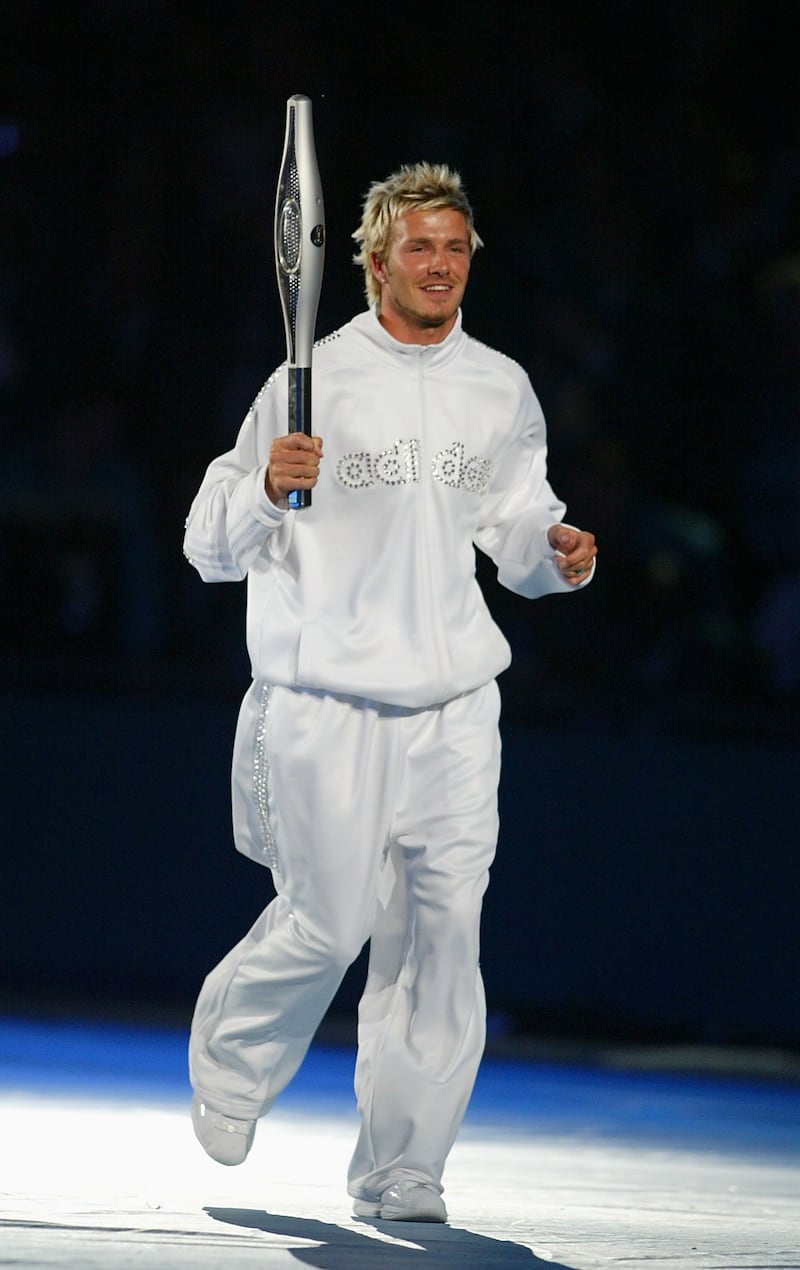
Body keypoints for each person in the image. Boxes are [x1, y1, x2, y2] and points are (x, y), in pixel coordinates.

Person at [183, 162, 597, 1223]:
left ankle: (402, 1167)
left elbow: (513, 521)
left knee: (440, 935)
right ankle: (231, 1057)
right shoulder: (306, 380)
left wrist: (550, 552)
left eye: (455, 249)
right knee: (327, 923)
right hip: (325, 699)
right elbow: (208, 539)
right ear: (371, 262)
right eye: (420, 247)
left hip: (455, 705)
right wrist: (270, 487)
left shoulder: (497, 385)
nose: (440, 266)